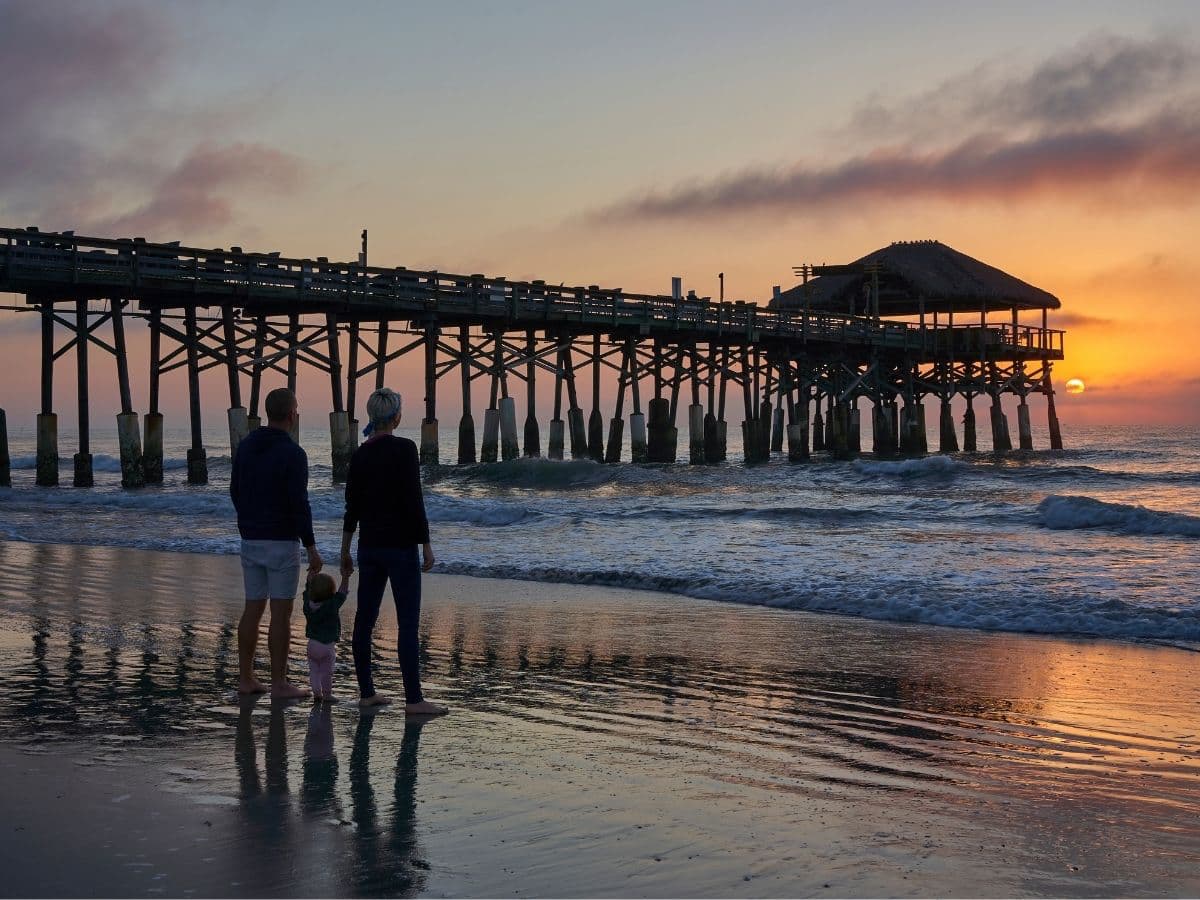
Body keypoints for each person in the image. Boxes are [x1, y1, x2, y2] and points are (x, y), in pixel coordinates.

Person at [340, 387, 447, 715]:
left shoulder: (360, 455)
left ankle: (367, 693)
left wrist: (344, 551)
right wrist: (426, 543)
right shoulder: (405, 449)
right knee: (407, 624)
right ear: (397, 417)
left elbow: (351, 507)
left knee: (365, 620)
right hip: (401, 547)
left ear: (373, 416)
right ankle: (414, 700)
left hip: (369, 546)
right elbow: (414, 500)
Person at [230, 387, 321, 698]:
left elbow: (235, 490)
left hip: (251, 538)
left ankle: (246, 678)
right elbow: (299, 503)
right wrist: (310, 546)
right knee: (281, 612)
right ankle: (279, 682)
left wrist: (247, 521)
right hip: (282, 540)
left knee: (252, 608)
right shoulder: (294, 454)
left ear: (269, 413)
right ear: (292, 415)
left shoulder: (245, 446)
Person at [303, 571, 350, 702]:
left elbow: (308, 589)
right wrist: (345, 577)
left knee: (314, 671)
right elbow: (342, 593)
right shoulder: (331, 605)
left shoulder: (307, 604)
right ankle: (327, 695)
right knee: (327, 673)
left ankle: (317, 693)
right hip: (327, 647)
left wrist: (312, 574)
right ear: (331, 593)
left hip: (311, 645)